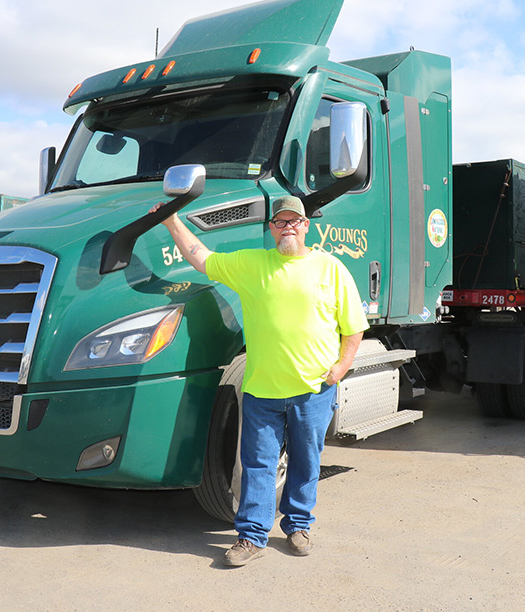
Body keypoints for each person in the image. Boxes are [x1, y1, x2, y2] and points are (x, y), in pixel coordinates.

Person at [150, 194, 369, 566]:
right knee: (257, 465)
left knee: (306, 463)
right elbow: (201, 259)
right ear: (271, 228)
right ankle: (252, 537)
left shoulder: (330, 268)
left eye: (294, 221)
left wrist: (341, 367)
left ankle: (298, 526)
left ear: (306, 226)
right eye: (280, 222)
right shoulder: (251, 264)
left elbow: (353, 326)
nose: (287, 227)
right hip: (262, 391)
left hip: (312, 390)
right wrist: (171, 221)